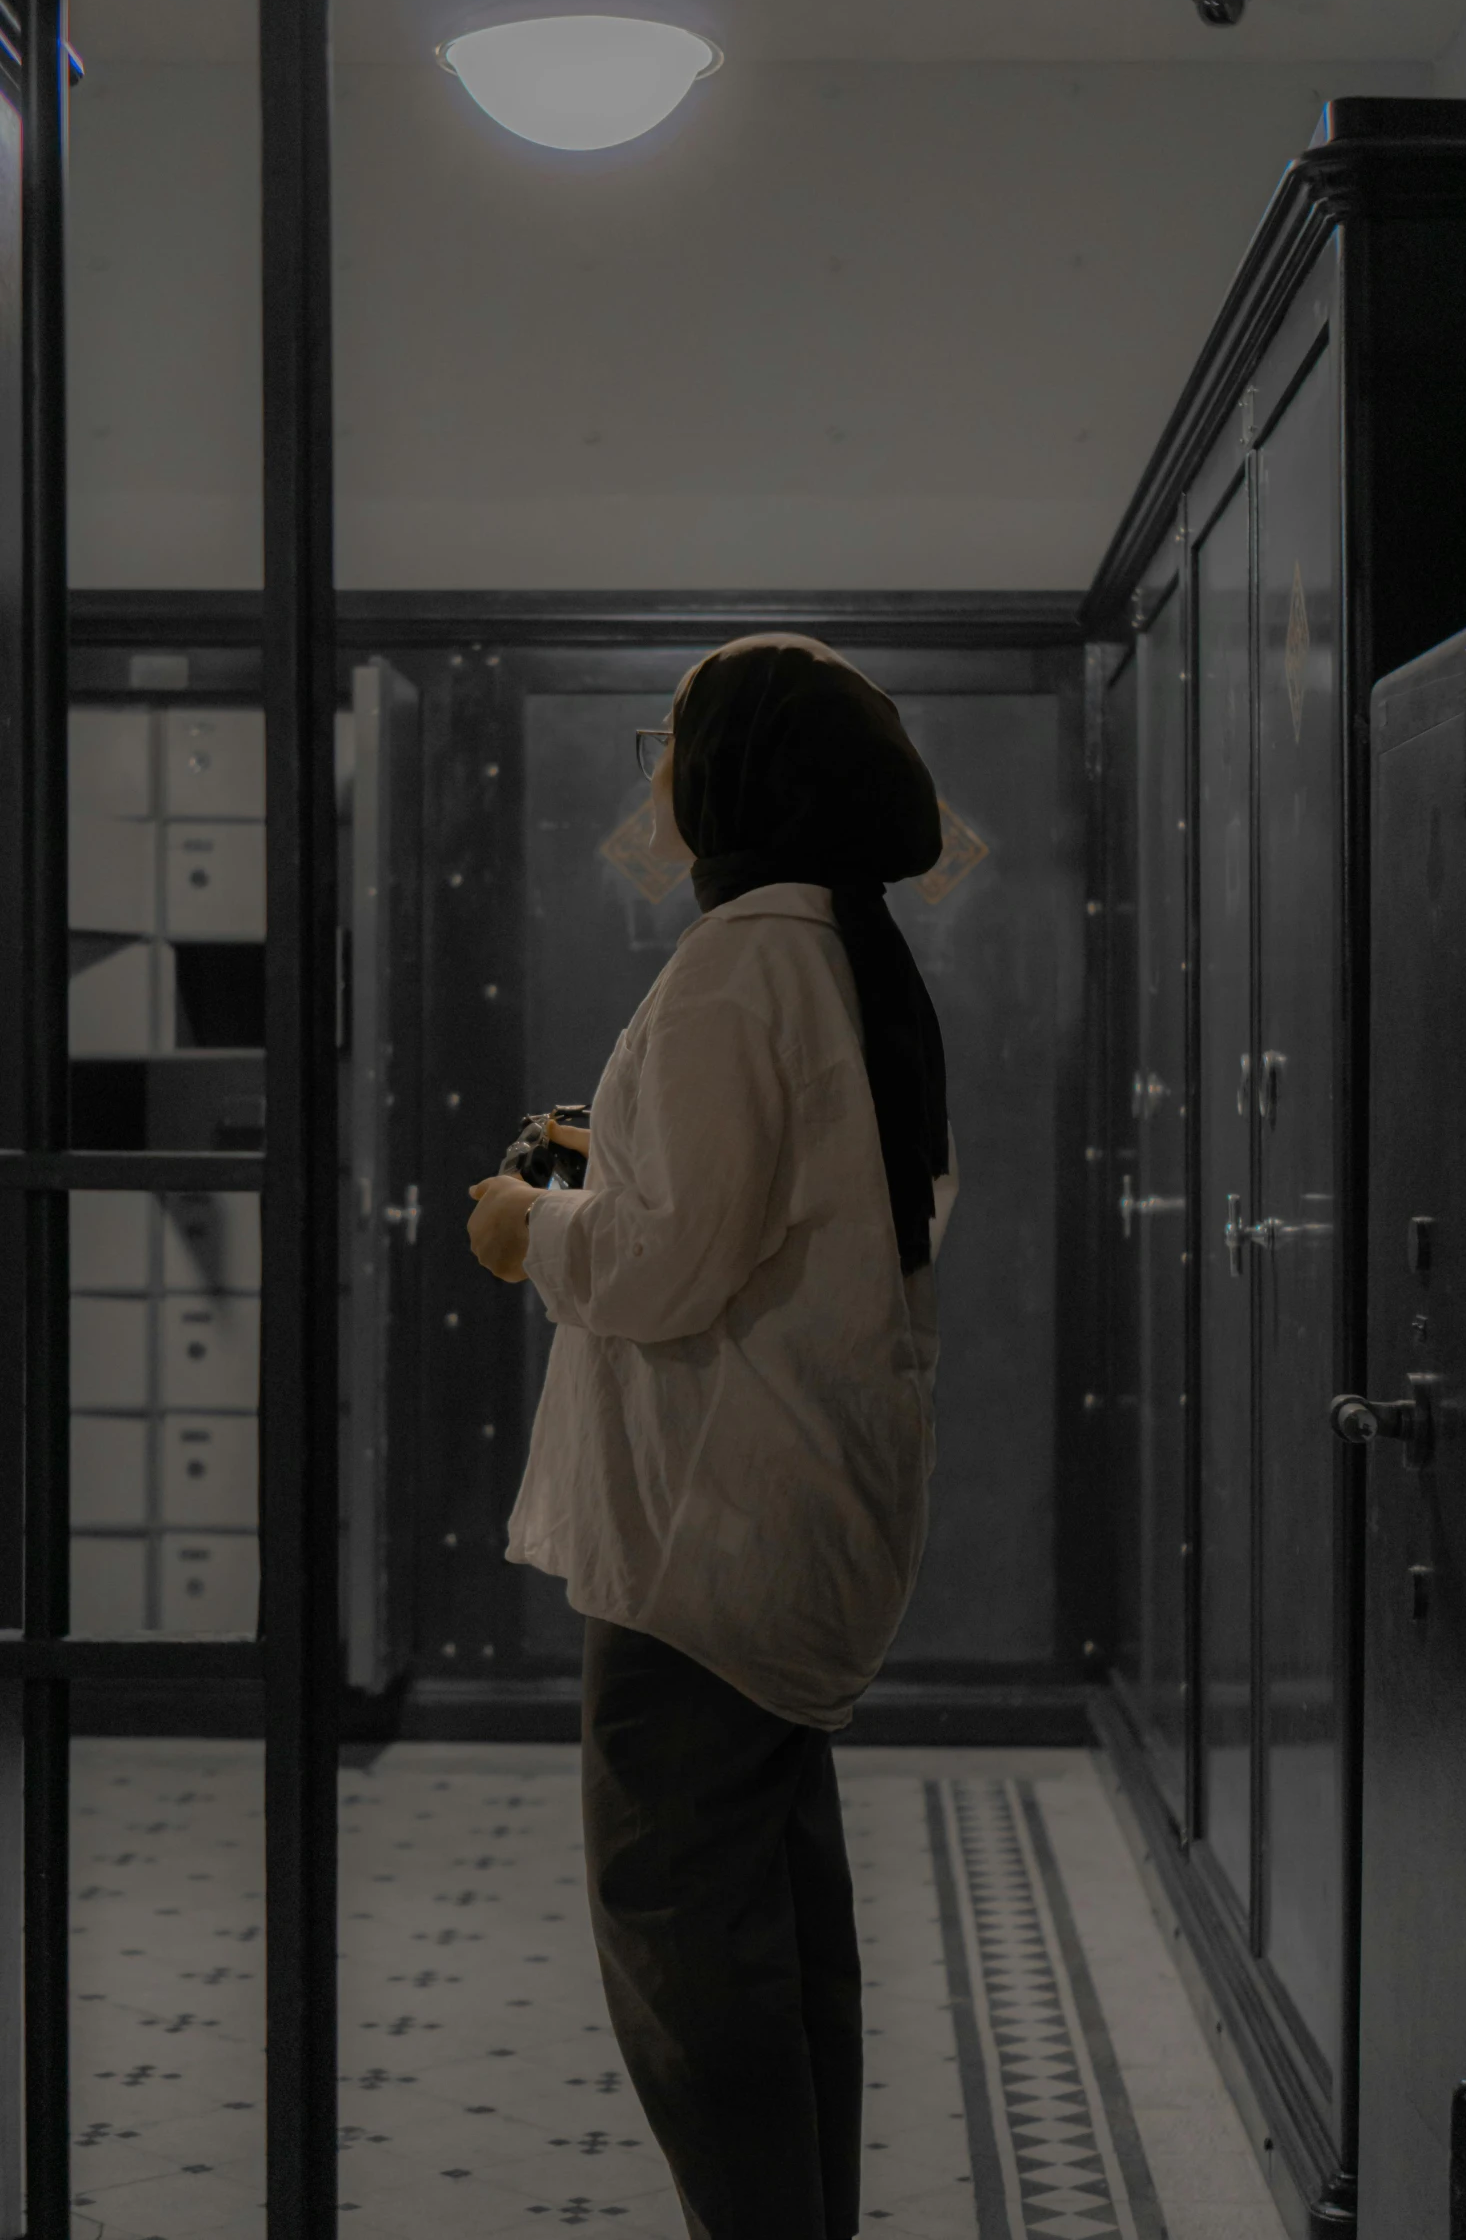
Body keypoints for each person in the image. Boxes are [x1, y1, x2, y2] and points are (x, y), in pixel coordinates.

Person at [465, 633, 959, 2240]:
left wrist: (524, 1227)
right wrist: (603, 1153)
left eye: (675, 741)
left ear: (742, 768)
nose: (657, 777)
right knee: (778, 1935)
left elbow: (665, 1266)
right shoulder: (835, 950)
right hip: (791, 1521)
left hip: (706, 1550)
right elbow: (781, 1197)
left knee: (685, 1943)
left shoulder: (739, 959)